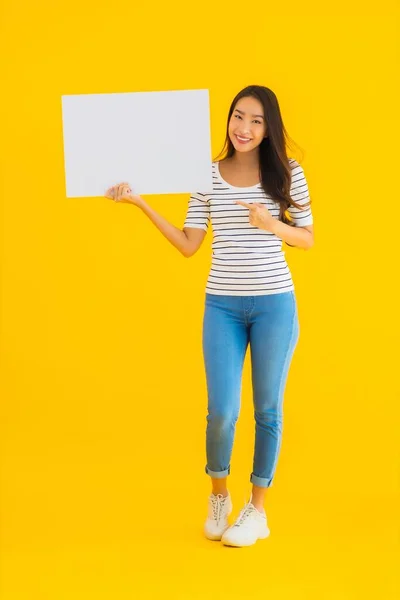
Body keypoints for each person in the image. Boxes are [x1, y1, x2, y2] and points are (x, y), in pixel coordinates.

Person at [105, 85, 314, 548]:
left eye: (256, 121)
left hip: (275, 303)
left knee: (268, 410)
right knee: (221, 411)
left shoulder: (287, 173)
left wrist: (272, 224)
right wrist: (139, 202)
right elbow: (188, 245)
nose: (244, 128)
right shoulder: (206, 174)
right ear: (228, 119)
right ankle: (218, 497)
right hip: (221, 305)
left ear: (269, 127)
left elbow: (307, 239)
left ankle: (256, 511)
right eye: (238, 116)